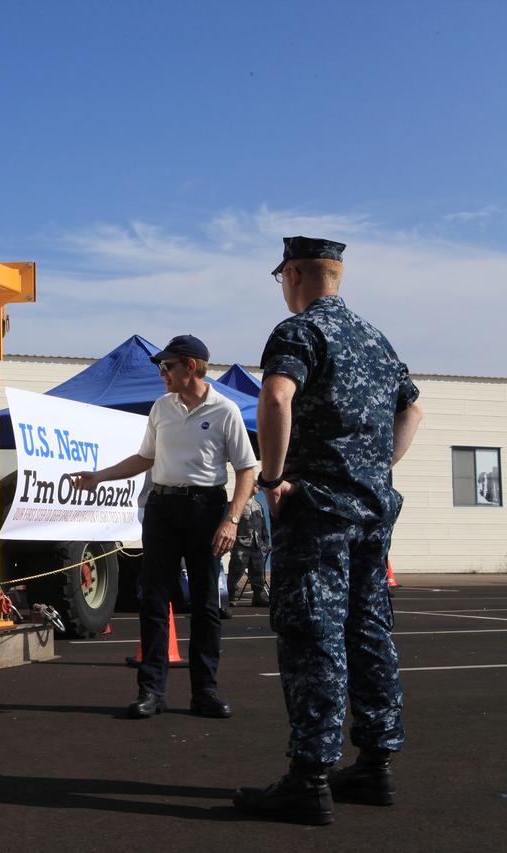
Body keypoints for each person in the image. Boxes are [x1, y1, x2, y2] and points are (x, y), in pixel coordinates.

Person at [235, 237, 424, 825]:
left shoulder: (299, 332)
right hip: (372, 512)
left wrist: (272, 478)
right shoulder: (376, 340)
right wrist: (375, 470)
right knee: (369, 631)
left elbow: (275, 394)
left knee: (312, 631)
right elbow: (413, 408)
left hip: (317, 510)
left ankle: (310, 775)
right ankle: (374, 764)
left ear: (294, 274)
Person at [73, 334, 257, 720]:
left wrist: (232, 519)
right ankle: (151, 691)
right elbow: (145, 457)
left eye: (167, 366)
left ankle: (204, 691)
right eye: (161, 367)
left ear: (190, 366)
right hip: (162, 507)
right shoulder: (161, 408)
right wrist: (99, 476)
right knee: (154, 600)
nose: (162, 373)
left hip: (206, 508)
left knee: (206, 604)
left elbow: (246, 470)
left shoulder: (225, 411)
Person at [227, 483, 270, 606]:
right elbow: (231, 525)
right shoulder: (237, 505)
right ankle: (231, 597)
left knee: (258, 571)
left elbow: (263, 527)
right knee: (236, 571)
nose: (257, 488)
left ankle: (258, 596)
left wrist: (265, 543)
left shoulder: (258, 506)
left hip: (256, 545)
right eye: (255, 485)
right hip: (241, 544)